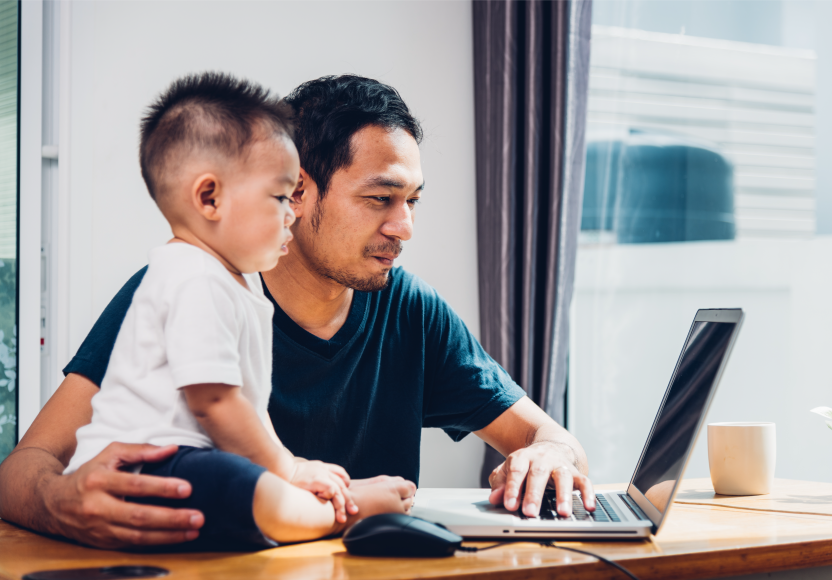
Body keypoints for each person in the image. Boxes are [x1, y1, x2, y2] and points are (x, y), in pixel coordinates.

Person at [0, 74, 594, 550]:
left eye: (411, 201)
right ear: (298, 192)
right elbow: (23, 468)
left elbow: (546, 434)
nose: (404, 226)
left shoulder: (411, 311)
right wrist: (61, 502)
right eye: (380, 199)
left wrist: (551, 451)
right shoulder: (181, 286)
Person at [60, 72, 412, 549]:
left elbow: (245, 402)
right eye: (280, 197)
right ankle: (339, 515)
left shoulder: (237, 280)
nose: (293, 213)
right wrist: (287, 469)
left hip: (189, 463)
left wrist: (290, 464)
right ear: (210, 198)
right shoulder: (191, 277)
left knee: (245, 476)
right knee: (246, 485)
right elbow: (215, 402)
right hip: (146, 469)